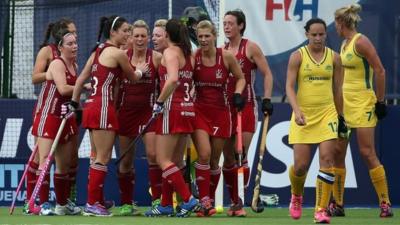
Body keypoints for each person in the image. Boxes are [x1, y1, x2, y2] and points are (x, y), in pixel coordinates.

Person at [63, 15, 144, 217]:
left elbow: (82, 78)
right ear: (113, 32)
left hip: (91, 105)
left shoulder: (97, 50)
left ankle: (96, 199)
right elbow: (133, 78)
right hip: (103, 107)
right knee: (103, 157)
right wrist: (142, 71)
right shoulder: (118, 53)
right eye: (125, 31)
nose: (128, 35)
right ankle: (91, 203)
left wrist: (74, 102)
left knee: (96, 156)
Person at [329, 4, 393, 218]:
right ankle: (338, 204)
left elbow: (380, 70)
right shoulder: (344, 43)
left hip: (363, 104)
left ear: (342, 23)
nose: (335, 27)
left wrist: (381, 101)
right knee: (339, 153)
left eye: (336, 23)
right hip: (345, 107)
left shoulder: (361, 42)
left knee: (367, 153)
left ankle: (385, 203)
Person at [285, 18, 347, 223]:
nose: (318, 38)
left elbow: (338, 90)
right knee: (300, 166)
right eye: (314, 35)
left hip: (327, 113)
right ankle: (296, 196)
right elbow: (289, 87)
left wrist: (341, 117)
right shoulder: (297, 56)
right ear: (307, 35)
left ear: (325, 35)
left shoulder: (335, 58)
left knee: (327, 160)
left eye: (321, 34)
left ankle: (320, 210)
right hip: (303, 114)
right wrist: (297, 111)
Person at [144, 18, 199, 217]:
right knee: (175, 161)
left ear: (168, 35)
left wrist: (159, 102)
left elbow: (173, 79)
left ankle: (189, 199)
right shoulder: (188, 53)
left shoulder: (170, 52)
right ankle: (166, 204)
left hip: (171, 109)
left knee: (163, 160)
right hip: (187, 109)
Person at [221, 9, 274, 217]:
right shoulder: (222, 49)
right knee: (227, 158)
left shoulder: (250, 47)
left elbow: (268, 74)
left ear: (241, 25)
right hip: (226, 107)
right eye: (224, 23)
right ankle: (234, 200)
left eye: (230, 23)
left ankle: (241, 200)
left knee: (239, 153)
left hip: (246, 105)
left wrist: (267, 99)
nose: (226, 26)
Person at [192, 20, 245, 217]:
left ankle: (210, 203)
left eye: (207, 36)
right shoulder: (194, 56)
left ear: (215, 37)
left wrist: (238, 93)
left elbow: (241, 78)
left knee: (215, 160)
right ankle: (204, 201)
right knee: (204, 155)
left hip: (221, 112)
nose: (204, 40)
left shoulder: (227, 56)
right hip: (199, 111)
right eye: (200, 37)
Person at [28, 18, 79, 215]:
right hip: (48, 113)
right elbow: (63, 88)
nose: (75, 43)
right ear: (61, 42)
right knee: (43, 161)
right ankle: (41, 203)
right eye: (71, 40)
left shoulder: (73, 62)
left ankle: (62, 204)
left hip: (65, 115)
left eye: (75, 41)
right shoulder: (53, 58)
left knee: (64, 164)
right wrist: (84, 86)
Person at [116, 19, 161, 216]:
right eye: (136, 36)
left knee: (153, 155)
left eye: (144, 36)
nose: (140, 39)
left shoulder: (157, 58)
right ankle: (126, 203)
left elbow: (167, 83)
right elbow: (115, 85)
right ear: (131, 38)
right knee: (126, 161)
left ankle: (158, 201)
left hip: (149, 112)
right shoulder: (122, 57)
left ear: (149, 38)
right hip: (126, 113)